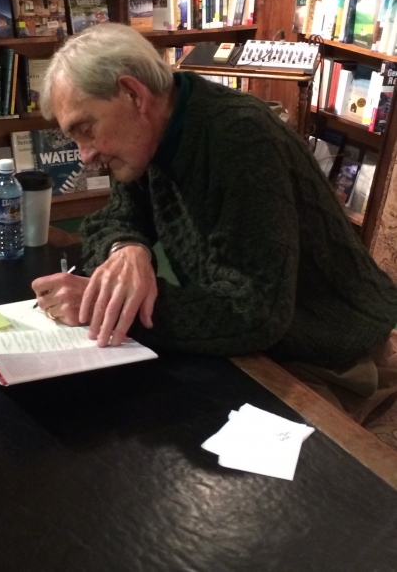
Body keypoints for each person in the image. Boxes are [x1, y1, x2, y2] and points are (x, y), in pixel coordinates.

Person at [32, 23, 397, 421]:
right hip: (264, 342)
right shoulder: (153, 130)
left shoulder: (241, 140)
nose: (84, 155)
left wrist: (102, 305)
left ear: (134, 94)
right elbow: (114, 217)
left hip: (334, 351)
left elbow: (252, 313)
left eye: (86, 130)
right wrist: (127, 249)